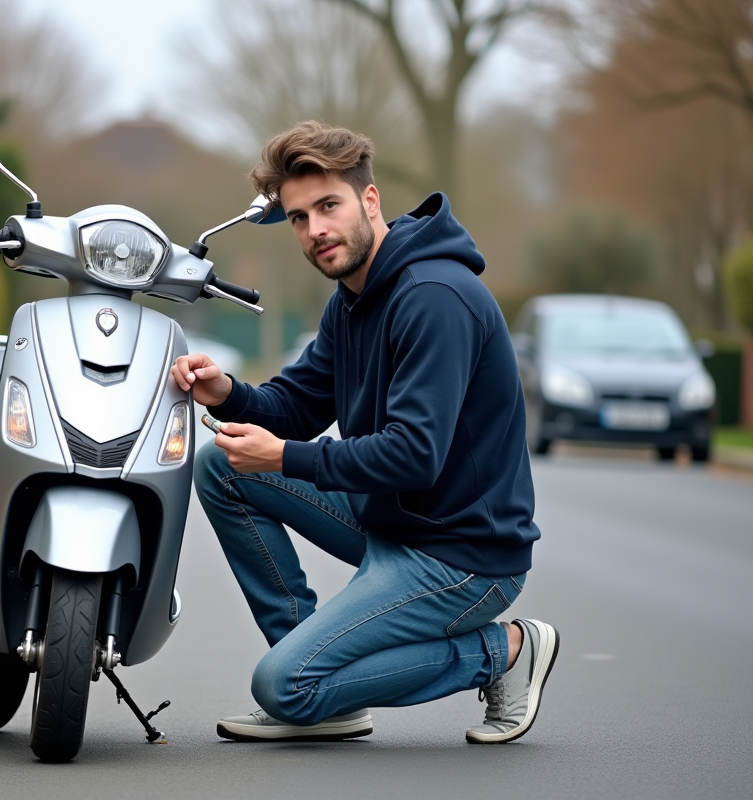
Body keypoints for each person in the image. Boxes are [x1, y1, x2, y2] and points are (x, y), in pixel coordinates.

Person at [171, 121, 558, 745]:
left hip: (462, 555)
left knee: (282, 687)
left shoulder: (434, 297)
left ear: (369, 202)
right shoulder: (351, 299)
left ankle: (505, 651)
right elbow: (296, 405)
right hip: (396, 520)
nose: (315, 230)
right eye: (298, 218)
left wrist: (285, 458)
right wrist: (231, 394)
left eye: (328, 206)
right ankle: (320, 677)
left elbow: (414, 456)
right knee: (221, 466)